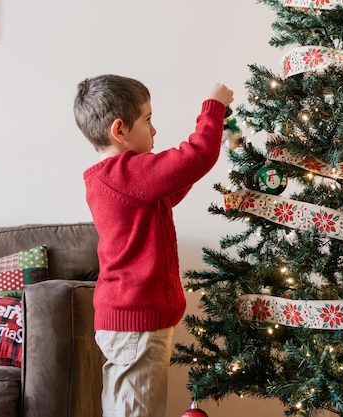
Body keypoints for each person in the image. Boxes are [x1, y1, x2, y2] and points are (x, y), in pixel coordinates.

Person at [73, 74, 233, 417]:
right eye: (147, 120)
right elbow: (194, 157)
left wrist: (218, 132)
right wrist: (213, 107)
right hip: (135, 324)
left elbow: (175, 182)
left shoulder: (124, 180)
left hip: (136, 322)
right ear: (119, 130)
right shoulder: (123, 174)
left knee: (136, 408)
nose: (154, 130)